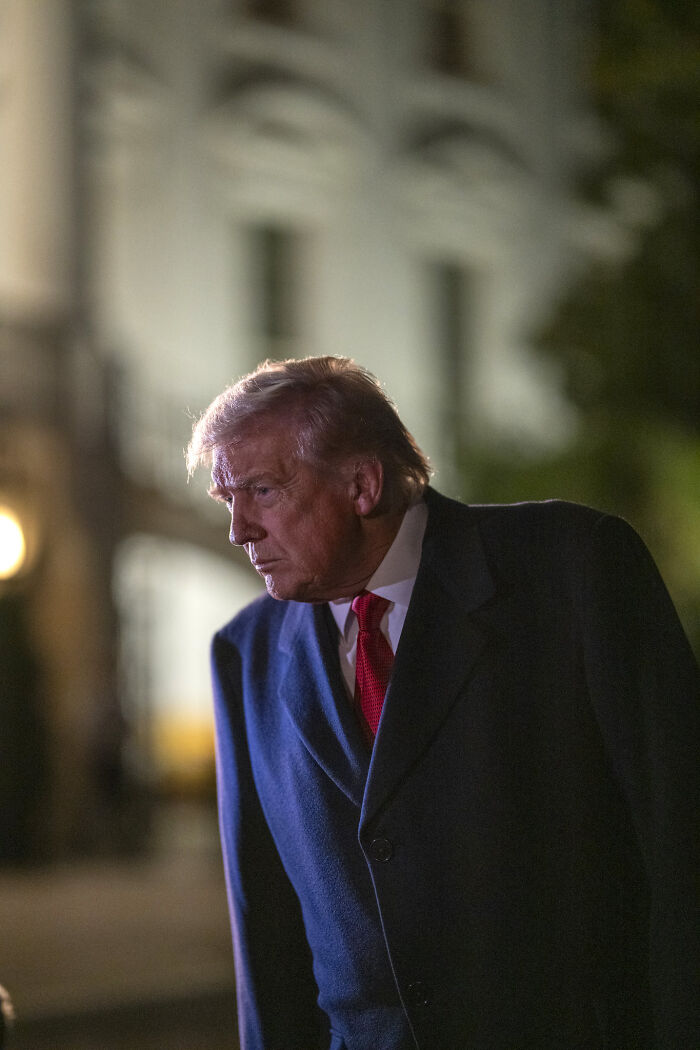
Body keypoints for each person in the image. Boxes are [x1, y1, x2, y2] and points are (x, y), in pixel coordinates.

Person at [186, 356, 700, 1050]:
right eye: (228, 499)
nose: (238, 529)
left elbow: (679, 841)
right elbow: (266, 931)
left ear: (363, 484)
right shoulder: (243, 652)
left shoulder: (573, 568)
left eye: (262, 491)